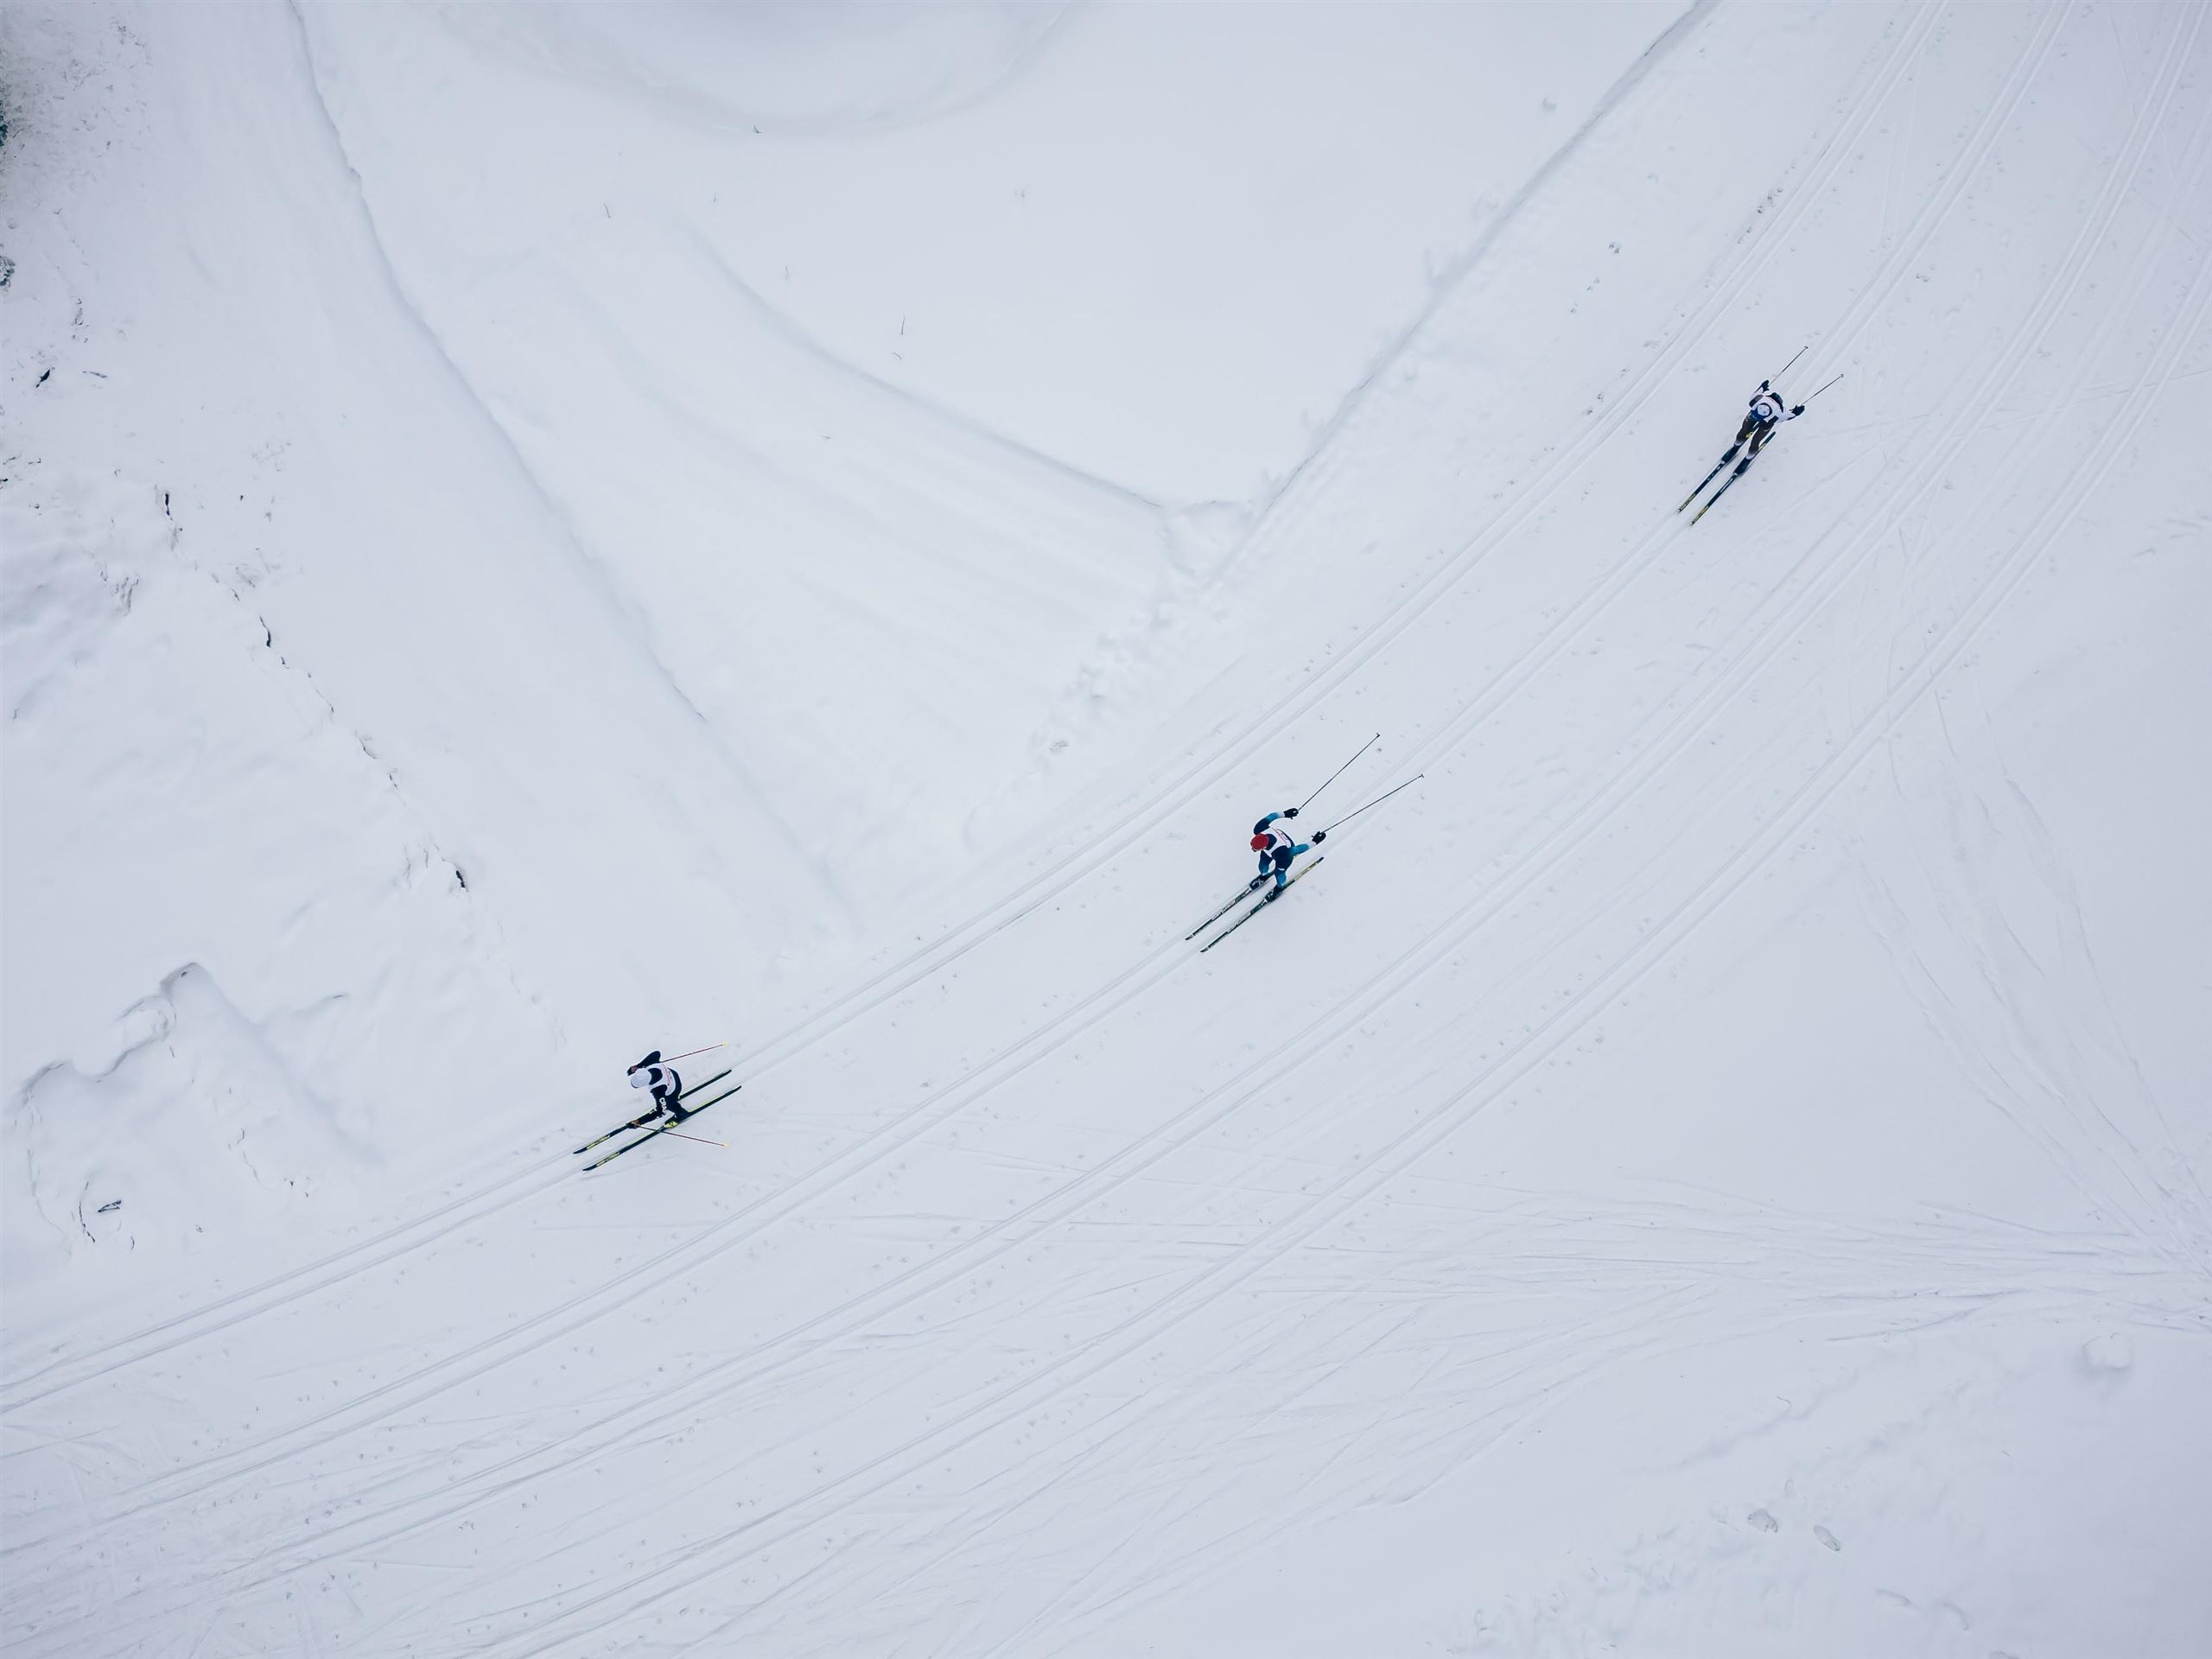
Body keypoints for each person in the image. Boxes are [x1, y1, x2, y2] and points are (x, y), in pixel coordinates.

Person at [1249, 810, 1326, 897]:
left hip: (1284, 853)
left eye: (1255, 849)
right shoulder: (1259, 828)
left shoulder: (1282, 853)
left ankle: (1279, 887)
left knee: (1279, 873)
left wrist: (1314, 842)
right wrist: (1285, 813)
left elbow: (1298, 849)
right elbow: (1272, 816)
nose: (1253, 850)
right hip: (1271, 848)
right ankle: (1263, 876)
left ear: (1263, 847)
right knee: (1263, 865)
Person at [1733, 379, 1804, 458]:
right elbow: (1790, 416)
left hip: (1764, 420)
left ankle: (1739, 443)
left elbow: (1789, 416)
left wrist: (1763, 386)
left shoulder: (1777, 413)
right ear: (1756, 407)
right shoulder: (1756, 400)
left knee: (1745, 432)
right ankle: (1750, 454)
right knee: (1755, 440)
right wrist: (1797, 412)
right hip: (1766, 421)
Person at [627, 1051, 687, 1122]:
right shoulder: (650, 1063)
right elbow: (657, 1053)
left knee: (668, 1104)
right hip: (673, 1075)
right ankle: (673, 1099)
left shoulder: (657, 1089)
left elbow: (661, 1112)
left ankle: (681, 1113)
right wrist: (638, 1066)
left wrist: (640, 1121)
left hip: (675, 1088)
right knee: (663, 1099)